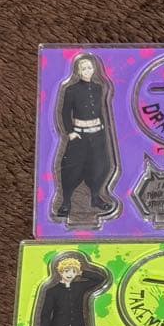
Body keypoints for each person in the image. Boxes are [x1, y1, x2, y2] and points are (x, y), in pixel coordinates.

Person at [56, 56, 114, 218]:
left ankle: (95, 197)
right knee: (71, 168)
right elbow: (65, 112)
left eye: (89, 67)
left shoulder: (98, 88)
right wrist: (70, 132)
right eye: (84, 68)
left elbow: (101, 111)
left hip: (98, 135)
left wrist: (103, 132)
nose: (87, 71)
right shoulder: (71, 90)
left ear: (94, 69)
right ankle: (66, 202)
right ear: (78, 71)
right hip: (79, 136)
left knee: (100, 166)